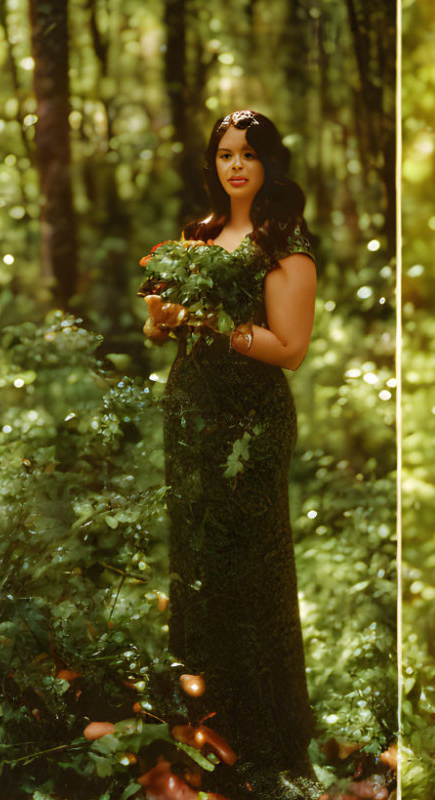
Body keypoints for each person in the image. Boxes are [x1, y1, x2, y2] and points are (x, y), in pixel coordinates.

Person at [144, 109, 321, 799]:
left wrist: (215, 323)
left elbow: (291, 349)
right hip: (189, 409)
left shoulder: (285, 244)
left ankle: (265, 737)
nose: (235, 165)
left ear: (270, 163)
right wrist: (163, 320)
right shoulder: (198, 236)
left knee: (252, 561)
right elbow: (166, 328)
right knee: (195, 559)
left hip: (253, 417)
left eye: (248, 153)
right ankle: (202, 718)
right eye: (224, 154)